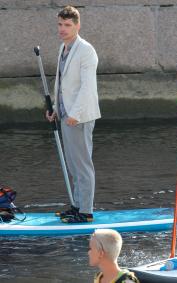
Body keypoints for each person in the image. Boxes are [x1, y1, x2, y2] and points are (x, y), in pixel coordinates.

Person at [46, 6, 101, 223]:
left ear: (77, 26)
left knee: (82, 164)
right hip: (65, 114)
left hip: (80, 116)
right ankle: (76, 206)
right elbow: (62, 85)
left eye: (67, 25)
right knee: (72, 163)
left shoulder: (86, 50)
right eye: (60, 24)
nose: (63, 29)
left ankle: (86, 212)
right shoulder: (63, 48)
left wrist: (75, 113)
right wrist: (55, 110)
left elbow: (87, 87)